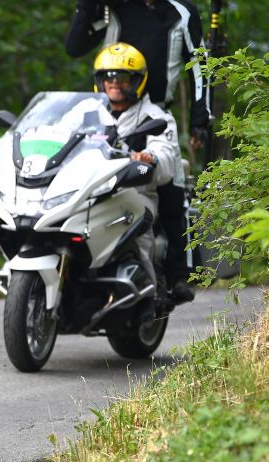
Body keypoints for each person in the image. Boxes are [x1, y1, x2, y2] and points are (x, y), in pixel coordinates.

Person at [65, 0, 206, 301]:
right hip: (108, 112)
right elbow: (75, 47)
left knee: (170, 188)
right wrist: (85, 7)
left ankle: (179, 274)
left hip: (154, 117)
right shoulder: (114, 7)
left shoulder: (182, 12)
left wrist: (199, 120)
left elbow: (200, 66)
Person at [94, 42, 178, 310]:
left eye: (122, 77)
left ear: (137, 81)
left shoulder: (156, 117)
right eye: (109, 76)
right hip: (88, 190)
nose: (114, 83)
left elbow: (167, 157)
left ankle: (150, 297)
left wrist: (150, 157)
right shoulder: (85, 111)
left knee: (136, 224)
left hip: (133, 192)